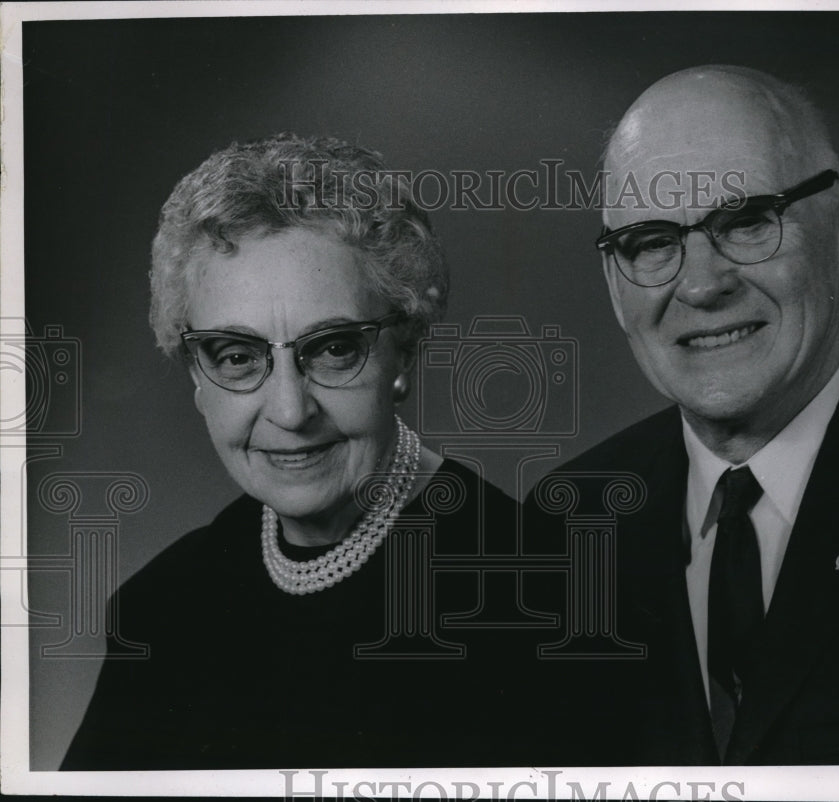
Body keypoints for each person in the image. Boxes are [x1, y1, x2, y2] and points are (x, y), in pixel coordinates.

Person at [522, 65, 839, 765]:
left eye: (747, 222)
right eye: (651, 242)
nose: (703, 285)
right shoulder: (559, 527)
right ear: (616, 289)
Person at [61, 134, 520, 769]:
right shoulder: (163, 609)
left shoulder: (534, 594)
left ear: (405, 353)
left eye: (333, 348)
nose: (289, 410)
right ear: (197, 378)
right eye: (237, 356)